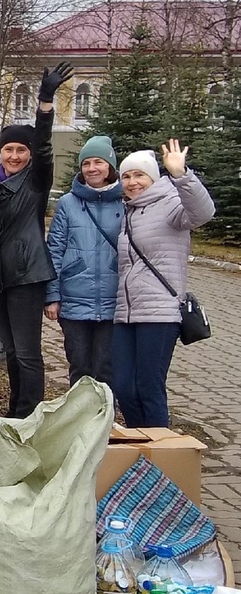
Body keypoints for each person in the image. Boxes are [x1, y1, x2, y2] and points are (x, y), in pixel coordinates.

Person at [0, 64, 71, 418]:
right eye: (9, 150)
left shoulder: (35, 182)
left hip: (27, 276)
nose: (15, 156)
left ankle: (30, 415)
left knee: (28, 352)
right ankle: (16, 412)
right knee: (13, 352)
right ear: (0, 152)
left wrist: (45, 101)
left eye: (21, 150)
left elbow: (45, 144)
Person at [112, 141, 215, 427]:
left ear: (153, 177)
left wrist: (181, 175)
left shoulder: (170, 203)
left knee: (148, 387)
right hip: (126, 313)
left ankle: (160, 453)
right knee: (123, 386)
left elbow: (203, 213)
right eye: (127, 176)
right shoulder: (129, 212)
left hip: (160, 312)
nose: (132, 183)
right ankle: (141, 441)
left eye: (139, 175)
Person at [45, 135, 123, 386]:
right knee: (79, 367)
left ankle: (104, 421)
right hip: (74, 301)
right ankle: (79, 421)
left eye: (98, 162)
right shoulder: (68, 203)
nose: (92, 168)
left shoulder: (125, 203)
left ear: (110, 166)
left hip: (114, 300)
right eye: (86, 163)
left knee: (106, 368)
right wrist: (52, 296)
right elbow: (55, 249)